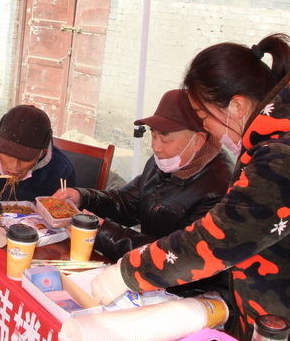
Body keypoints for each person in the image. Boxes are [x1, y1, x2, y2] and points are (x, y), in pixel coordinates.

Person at [90, 34, 290, 341]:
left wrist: (127, 273)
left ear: (238, 107)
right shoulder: (285, 143)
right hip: (281, 326)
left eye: (204, 117)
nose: (208, 130)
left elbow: (218, 239)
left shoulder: (288, 157)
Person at [54, 89, 233, 267]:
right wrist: (83, 198)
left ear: (197, 141)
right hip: (145, 272)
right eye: (153, 135)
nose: (156, 147)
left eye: (165, 139)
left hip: (186, 287)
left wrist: (103, 234)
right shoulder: (164, 161)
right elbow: (125, 203)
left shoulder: (219, 187)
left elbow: (179, 257)